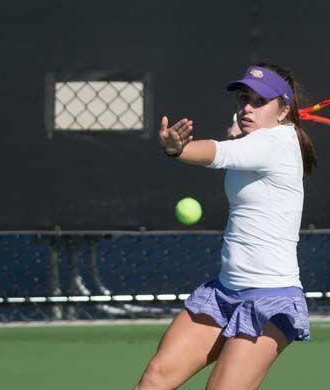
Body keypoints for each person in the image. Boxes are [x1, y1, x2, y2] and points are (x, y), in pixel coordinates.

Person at [135, 62, 317, 390]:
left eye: (260, 101)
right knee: (155, 379)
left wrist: (179, 148)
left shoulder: (273, 144)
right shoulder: (258, 140)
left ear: (284, 110)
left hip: (269, 299)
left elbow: (217, 154)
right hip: (223, 292)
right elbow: (239, 154)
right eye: (244, 99)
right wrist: (237, 136)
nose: (247, 107)